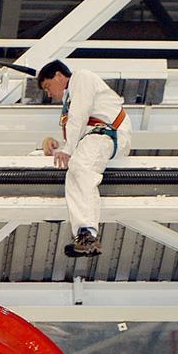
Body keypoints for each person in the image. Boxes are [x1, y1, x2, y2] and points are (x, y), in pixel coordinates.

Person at [38, 59, 132, 259]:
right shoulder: (70, 100)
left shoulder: (81, 78)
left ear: (58, 75)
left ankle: (87, 233)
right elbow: (78, 128)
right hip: (95, 137)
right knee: (75, 169)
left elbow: (80, 115)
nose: (48, 93)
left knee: (80, 167)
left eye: (47, 86)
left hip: (106, 133)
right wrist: (54, 147)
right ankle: (83, 233)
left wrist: (69, 148)